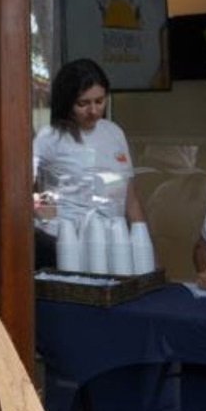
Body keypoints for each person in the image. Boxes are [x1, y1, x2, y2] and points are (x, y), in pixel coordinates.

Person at [32, 58, 144, 269]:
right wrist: (47, 215)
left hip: (111, 243)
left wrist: (143, 243)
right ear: (67, 102)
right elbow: (28, 187)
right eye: (83, 104)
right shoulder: (49, 137)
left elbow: (130, 196)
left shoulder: (114, 132)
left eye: (99, 101)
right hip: (61, 243)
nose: (93, 111)